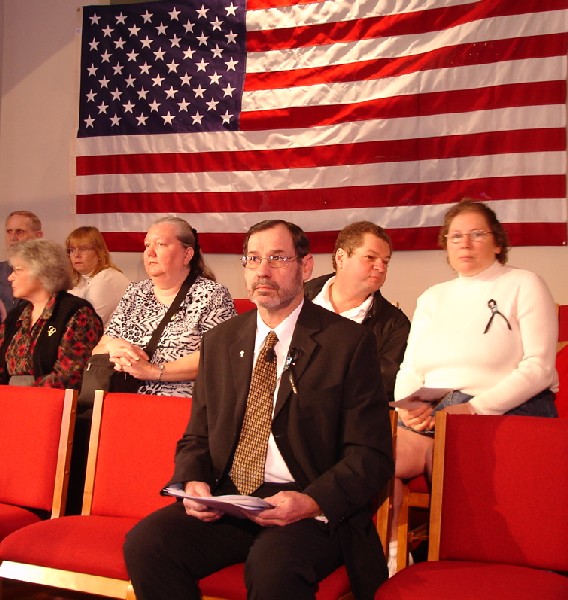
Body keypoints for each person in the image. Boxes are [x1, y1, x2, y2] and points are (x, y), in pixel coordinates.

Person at [123, 219, 394, 600]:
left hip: (308, 504)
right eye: (253, 259)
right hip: (231, 500)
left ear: (306, 266)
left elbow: (370, 455)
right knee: (146, 544)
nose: (262, 270)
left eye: (277, 258)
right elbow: (197, 435)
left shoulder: (347, 344)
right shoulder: (221, 341)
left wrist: (312, 501)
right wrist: (191, 481)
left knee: (273, 567)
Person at [388, 198, 559, 575]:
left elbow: (539, 369)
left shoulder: (523, 284)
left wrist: (472, 409)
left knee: (444, 457)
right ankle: (395, 560)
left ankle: (455, 566)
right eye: (455, 236)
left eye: (476, 234)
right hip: (432, 408)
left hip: (506, 407)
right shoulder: (432, 297)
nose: (464, 243)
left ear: (497, 242)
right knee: (371, 457)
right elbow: (411, 367)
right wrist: (408, 407)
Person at [91, 216, 235, 396]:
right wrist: (113, 347)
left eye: (160, 244)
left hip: (178, 401)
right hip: (124, 398)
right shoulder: (135, 292)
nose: (150, 252)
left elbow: (218, 356)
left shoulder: (212, 294)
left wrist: (152, 371)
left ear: (187, 255)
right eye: (147, 245)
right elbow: (98, 349)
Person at [305, 221, 410, 403]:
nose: (381, 267)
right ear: (341, 258)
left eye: (385, 262)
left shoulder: (394, 325)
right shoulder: (297, 298)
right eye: (370, 257)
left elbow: (384, 385)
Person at [0, 238, 103, 388]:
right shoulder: (16, 315)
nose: (10, 277)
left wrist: (22, 394)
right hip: (10, 397)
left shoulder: (77, 313)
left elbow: (70, 376)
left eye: (17, 270)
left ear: (41, 272)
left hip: (51, 399)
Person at [66, 226, 130, 325]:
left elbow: (88, 326)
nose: (76, 255)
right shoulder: (80, 279)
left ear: (99, 253)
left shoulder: (104, 280)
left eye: (83, 249)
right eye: (72, 250)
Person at [0, 210, 43, 313]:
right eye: (9, 232)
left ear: (38, 236)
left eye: (20, 232)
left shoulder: (49, 273)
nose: (13, 238)